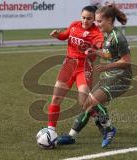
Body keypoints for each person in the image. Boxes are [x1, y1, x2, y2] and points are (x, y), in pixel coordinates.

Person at [58, 4, 133, 148]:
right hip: (110, 76)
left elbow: (126, 61)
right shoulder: (107, 34)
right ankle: (72, 136)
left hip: (121, 78)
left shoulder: (118, 37)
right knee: (87, 103)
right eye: (96, 21)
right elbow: (108, 54)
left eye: (99, 21)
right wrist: (95, 52)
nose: (97, 24)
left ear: (110, 20)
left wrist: (106, 66)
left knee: (90, 103)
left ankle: (109, 129)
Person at [47, 5, 106, 141]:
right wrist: (57, 35)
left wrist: (99, 46)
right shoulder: (74, 25)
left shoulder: (96, 32)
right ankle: (51, 131)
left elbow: (99, 43)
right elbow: (64, 35)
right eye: (84, 17)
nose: (85, 21)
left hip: (83, 67)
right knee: (56, 98)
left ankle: (103, 122)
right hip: (68, 65)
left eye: (89, 19)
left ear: (94, 19)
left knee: (84, 102)